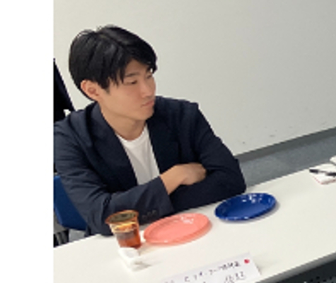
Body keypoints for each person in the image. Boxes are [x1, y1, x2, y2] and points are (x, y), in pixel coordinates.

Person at [54, 25, 246, 237]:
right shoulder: (69, 138)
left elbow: (230, 180)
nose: (148, 90)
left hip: (194, 230)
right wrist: (172, 179)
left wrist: (133, 207)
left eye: (148, 75)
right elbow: (102, 217)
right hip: (125, 246)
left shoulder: (182, 115)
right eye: (132, 82)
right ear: (93, 90)